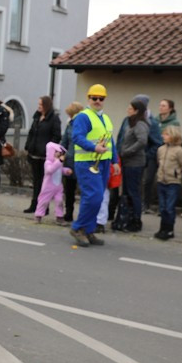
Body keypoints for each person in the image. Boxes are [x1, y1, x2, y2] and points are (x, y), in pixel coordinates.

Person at [68, 84, 113, 246]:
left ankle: (88, 230)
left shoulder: (106, 118)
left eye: (101, 98)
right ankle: (78, 228)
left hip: (103, 162)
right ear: (89, 99)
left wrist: (115, 161)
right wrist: (94, 147)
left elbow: (110, 141)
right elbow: (77, 137)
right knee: (92, 197)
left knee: (98, 198)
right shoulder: (83, 116)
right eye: (94, 98)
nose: (98, 101)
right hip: (87, 162)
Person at [23, 96, 61, 213]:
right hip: (34, 154)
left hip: (45, 156)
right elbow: (31, 133)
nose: (39, 106)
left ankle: (44, 206)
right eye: (38, 104)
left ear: (46, 105)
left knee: (45, 183)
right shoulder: (37, 117)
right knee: (36, 181)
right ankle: (35, 204)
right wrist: (28, 146)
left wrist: (50, 150)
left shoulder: (54, 119)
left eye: (41, 104)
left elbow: (56, 136)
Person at [118, 99, 149, 232]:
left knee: (133, 192)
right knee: (127, 192)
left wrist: (127, 151)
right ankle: (126, 218)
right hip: (127, 162)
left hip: (134, 163)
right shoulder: (131, 123)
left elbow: (142, 141)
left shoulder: (140, 125)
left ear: (136, 110)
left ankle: (136, 220)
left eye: (130, 108)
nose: (128, 110)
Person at [154, 125, 182, 240]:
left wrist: (179, 177)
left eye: (166, 134)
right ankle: (162, 228)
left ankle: (169, 229)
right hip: (161, 181)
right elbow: (159, 162)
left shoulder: (179, 150)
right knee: (163, 207)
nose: (163, 136)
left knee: (169, 207)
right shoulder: (161, 149)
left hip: (173, 182)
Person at [33, 142, 67, 224]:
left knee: (59, 201)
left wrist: (66, 171)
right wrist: (59, 162)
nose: (60, 154)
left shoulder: (59, 162)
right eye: (58, 152)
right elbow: (50, 170)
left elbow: (60, 170)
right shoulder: (48, 162)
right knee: (44, 200)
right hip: (48, 186)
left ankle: (59, 216)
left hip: (58, 186)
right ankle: (38, 215)